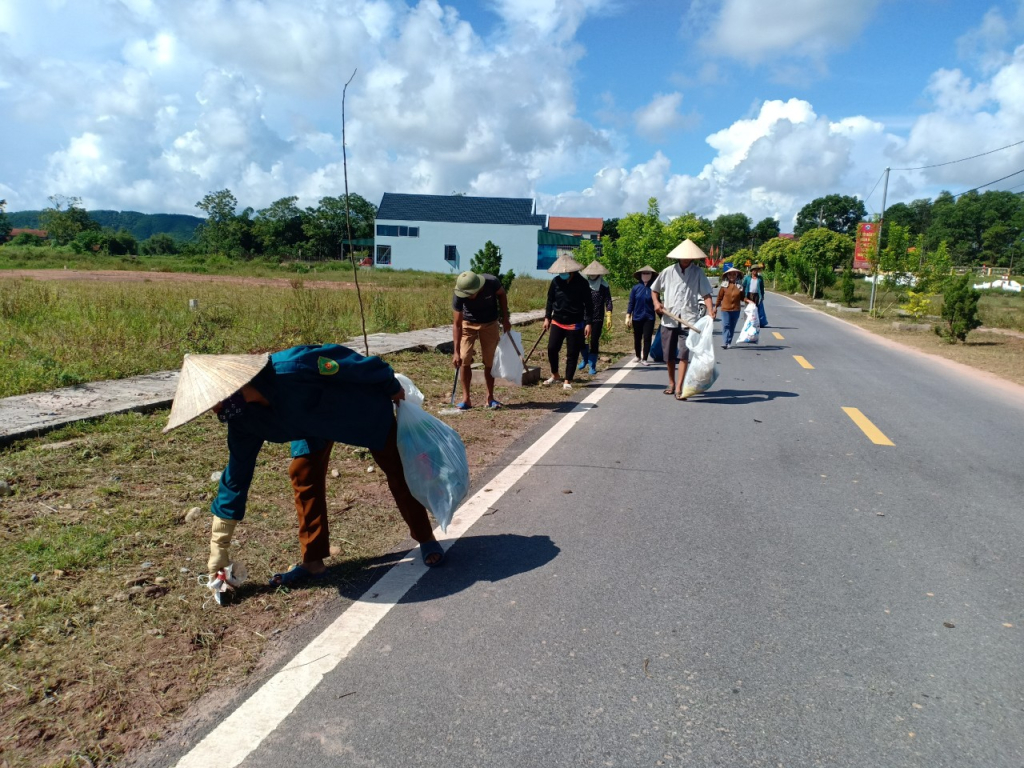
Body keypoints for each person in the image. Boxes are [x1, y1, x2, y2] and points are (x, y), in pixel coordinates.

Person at [162, 345, 446, 599]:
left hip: (358, 412)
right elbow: (235, 480)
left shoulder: (293, 366)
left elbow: (359, 365)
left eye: (217, 401)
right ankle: (313, 562)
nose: (216, 410)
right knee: (303, 475)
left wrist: (390, 387)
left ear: (235, 385)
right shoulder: (243, 420)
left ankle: (426, 538)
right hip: (311, 428)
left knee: (396, 471)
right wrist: (218, 550)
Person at [650, 240, 715, 400]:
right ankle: (671, 383)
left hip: (689, 319)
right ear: (678, 257)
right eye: (683, 257)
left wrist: (710, 310)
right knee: (669, 355)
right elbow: (654, 290)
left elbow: (706, 294)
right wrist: (657, 303)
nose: (686, 259)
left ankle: (680, 387)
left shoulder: (698, 273)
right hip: (669, 319)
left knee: (684, 355)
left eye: (689, 257)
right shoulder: (668, 272)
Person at [451, 270, 512, 410]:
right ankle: (466, 400)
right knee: (464, 358)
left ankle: (490, 397)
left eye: (469, 294)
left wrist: (505, 318)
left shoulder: (491, 282)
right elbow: (457, 324)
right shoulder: (459, 293)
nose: (467, 297)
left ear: (478, 288)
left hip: (490, 323)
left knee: (489, 360)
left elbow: (502, 294)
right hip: (468, 324)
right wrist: (456, 352)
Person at [542, 253, 592, 390]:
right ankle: (555, 374)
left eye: (565, 272)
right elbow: (550, 300)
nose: (562, 274)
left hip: (575, 323)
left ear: (572, 271)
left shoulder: (582, 283)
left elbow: (588, 304)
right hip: (557, 321)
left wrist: (588, 323)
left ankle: (567, 380)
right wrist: (547, 317)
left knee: (572, 353)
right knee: (552, 348)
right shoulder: (556, 282)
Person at [578, 260, 613, 376]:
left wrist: (609, 315)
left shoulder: (604, 286)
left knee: (594, 341)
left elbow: (608, 301)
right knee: (582, 338)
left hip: (598, 317)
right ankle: (585, 358)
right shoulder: (584, 285)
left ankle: (592, 365)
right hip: (584, 316)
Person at [626, 265, 657, 364]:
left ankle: (645, 358)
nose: (646, 275)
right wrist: (628, 315)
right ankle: (638, 356)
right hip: (637, 317)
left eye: (648, 273)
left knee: (647, 338)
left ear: (651, 275)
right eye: (644, 273)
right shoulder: (636, 288)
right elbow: (631, 302)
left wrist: (662, 316)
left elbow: (657, 302)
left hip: (649, 317)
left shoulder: (654, 289)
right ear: (640, 275)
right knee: (637, 337)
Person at [716, 266, 744, 349]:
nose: (732, 276)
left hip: (736, 310)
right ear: (727, 276)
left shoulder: (739, 286)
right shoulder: (724, 286)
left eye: (734, 274)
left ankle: (729, 342)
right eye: (730, 275)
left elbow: (743, 298)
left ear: (736, 275)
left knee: (732, 326)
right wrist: (715, 307)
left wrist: (749, 301)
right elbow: (719, 298)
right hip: (725, 309)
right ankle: (725, 342)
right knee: (726, 325)